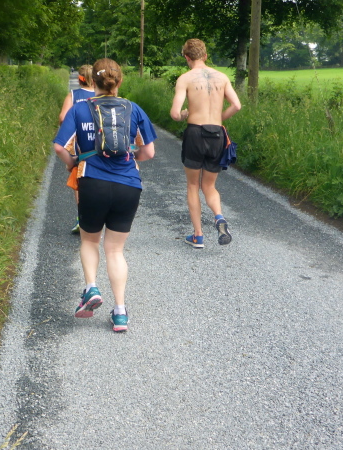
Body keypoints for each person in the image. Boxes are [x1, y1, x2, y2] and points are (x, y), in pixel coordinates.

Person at [53, 58, 157, 332]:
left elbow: (59, 146)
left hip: (93, 183)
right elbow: (148, 152)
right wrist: (131, 156)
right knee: (115, 250)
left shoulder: (80, 108)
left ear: (92, 82)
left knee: (90, 241)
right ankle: (120, 313)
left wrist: (72, 163)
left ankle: (91, 288)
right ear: (119, 81)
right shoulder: (134, 109)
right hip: (128, 185)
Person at [170, 38, 242, 248]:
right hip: (217, 133)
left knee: (193, 185)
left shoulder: (185, 79)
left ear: (186, 57)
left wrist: (185, 114)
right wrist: (218, 118)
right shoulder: (222, 77)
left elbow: (175, 113)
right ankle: (219, 217)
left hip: (195, 133)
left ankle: (198, 235)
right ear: (205, 55)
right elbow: (236, 105)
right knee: (209, 185)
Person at [58, 65, 95, 233]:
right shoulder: (101, 94)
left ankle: (82, 217)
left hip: (80, 145)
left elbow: (62, 118)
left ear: (80, 79)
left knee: (79, 177)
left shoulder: (73, 95)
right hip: (102, 143)